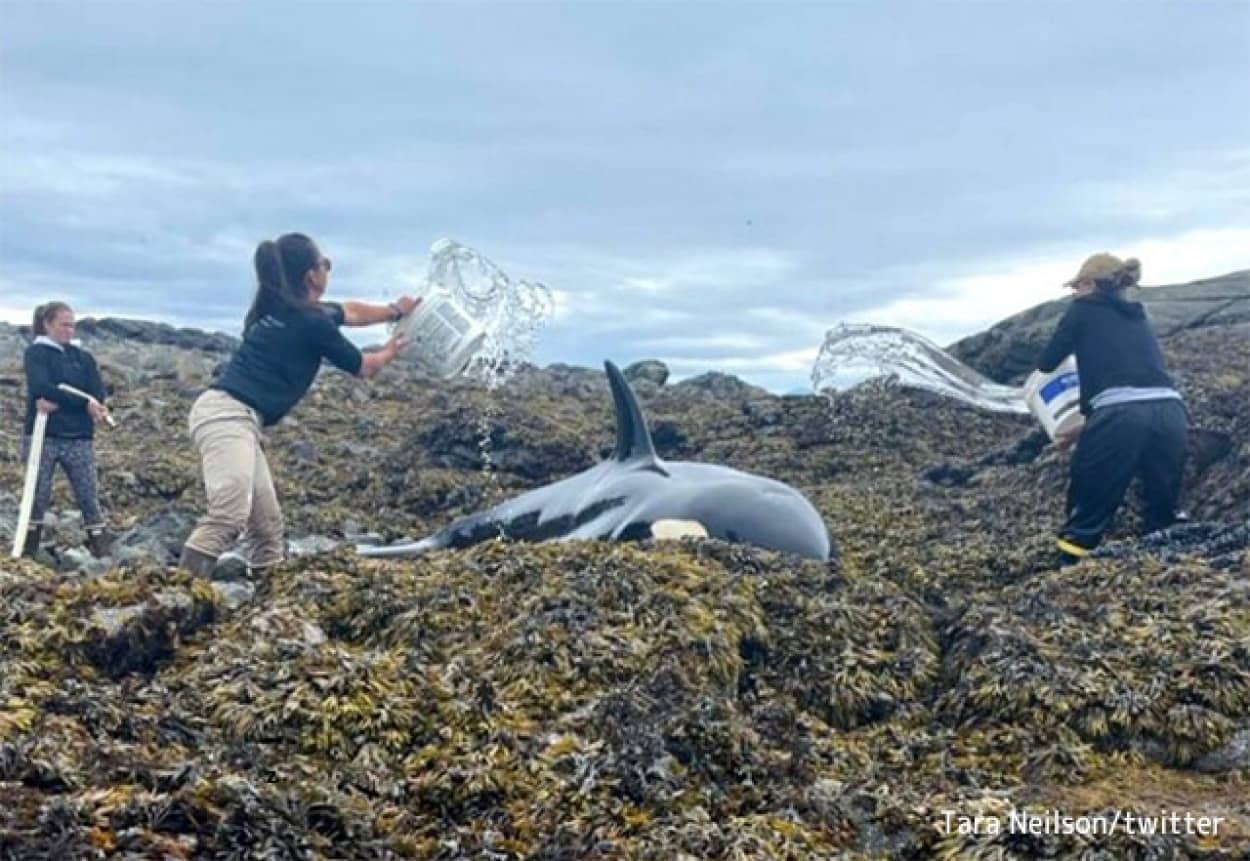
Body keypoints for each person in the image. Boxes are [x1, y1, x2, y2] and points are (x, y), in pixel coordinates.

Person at [179, 232, 418, 577]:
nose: (328, 270)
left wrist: (395, 311)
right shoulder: (311, 322)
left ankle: (264, 602)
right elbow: (365, 367)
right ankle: (174, 596)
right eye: (326, 265)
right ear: (311, 274)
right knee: (228, 515)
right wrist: (393, 348)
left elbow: (350, 311)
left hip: (241, 419)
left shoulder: (285, 309)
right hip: (226, 416)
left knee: (267, 527)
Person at [1036, 253, 1188, 562]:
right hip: (1171, 412)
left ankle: (1068, 576)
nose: (1074, 292)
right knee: (1162, 510)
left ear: (1090, 285)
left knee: (1087, 511)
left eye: (1077, 286)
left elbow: (1047, 362)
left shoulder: (1082, 310)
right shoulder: (1138, 313)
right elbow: (1135, 387)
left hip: (1120, 416)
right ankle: (1159, 573)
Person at [20, 302, 113, 558]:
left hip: (79, 438)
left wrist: (70, 403)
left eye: (72, 325)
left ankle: (103, 555)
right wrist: (83, 404)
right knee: (37, 495)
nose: (69, 330)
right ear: (47, 324)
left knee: (88, 495)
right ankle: (28, 552)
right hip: (43, 436)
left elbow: (97, 393)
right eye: (64, 324)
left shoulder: (83, 358)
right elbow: (41, 386)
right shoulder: (36, 353)